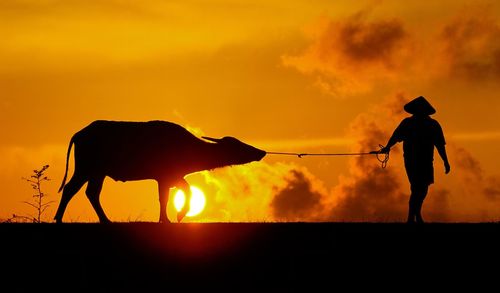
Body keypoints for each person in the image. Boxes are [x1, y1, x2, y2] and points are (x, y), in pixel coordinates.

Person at [380, 96, 451, 224]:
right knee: (418, 187)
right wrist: (387, 147)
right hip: (414, 160)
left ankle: (414, 215)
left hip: (425, 160)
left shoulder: (431, 125)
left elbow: (440, 145)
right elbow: (395, 137)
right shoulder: (410, 123)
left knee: (421, 188)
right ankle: (413, 217)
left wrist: (446, 161)